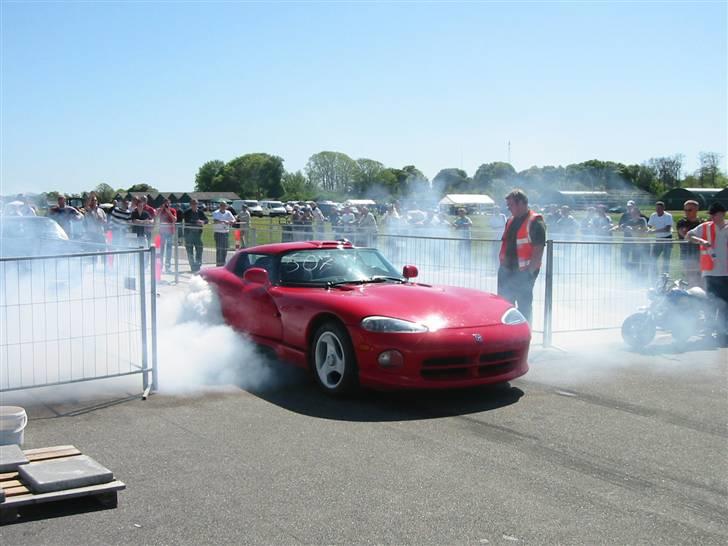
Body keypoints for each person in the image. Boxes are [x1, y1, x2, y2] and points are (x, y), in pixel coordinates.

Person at [497, 189, 546, 324]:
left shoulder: (535, 221)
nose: (508, 208)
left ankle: (524, 335)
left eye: (511, 205)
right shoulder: (510, 220)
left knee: (523, 308)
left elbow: (538, 250)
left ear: (521, 203)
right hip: (506, 271)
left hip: (523, 273)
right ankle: (507, 336)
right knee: (504, 306)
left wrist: (529, 273)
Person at [687, 202, 728, 344]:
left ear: (722, 214)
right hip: (711, 273)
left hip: (726, 273)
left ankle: (724, 334)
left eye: (714, 214)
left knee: (726, 305)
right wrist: (702, 241)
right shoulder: (705, 227)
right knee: (711, 304)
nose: (711, 217)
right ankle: (709, 332)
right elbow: (688, 235)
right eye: (710, 215)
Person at [676, 200, 703, 287]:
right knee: (690, 278)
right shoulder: (682, 222)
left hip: (701, 254)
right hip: (687, 254)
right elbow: (685, 235)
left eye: (689, 210)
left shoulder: (702, 222)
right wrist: (700, 240)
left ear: (696, 210)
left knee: (701, 278)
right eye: (685, 210)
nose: (686, 212)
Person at [647, 201, 673, 278]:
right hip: (658, 239)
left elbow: (667, 229)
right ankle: (655, 275)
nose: (658, 210)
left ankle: (665, 276)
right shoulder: (653, 215)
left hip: (667, 239)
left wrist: (654, 231)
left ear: (663, 208)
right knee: (653, 258)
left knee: (666, 259)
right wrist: (648, 229)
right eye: (657, 208)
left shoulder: (668, 216)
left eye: (660, 208)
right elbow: (649, 225)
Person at [183, 199, 208, 273]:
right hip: (189, 235)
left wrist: (203, 221)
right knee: (190, 251)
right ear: (190, 205)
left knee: (199, 250)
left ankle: (198, 266)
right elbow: (187, 220)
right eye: (193, 204)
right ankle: (192, 266)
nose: (194, 205)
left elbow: (206, 220)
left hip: (198, 235)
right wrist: (197, 221)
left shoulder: (200, 212)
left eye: (196, 204)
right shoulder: (187, 212)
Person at [157, 199, 177, 273]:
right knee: (161, 250)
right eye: (165, 204)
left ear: (170, 204)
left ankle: (167, 267)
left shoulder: (172, 210)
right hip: (162, 232)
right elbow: (156, 218)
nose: (167, 205)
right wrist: (161, 209)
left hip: (170, 232)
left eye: (168, 203)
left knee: (169, 250)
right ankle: (160, 266)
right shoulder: (160, 210)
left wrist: (169, 212)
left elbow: (175, 219)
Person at [212, 201, 235, 266]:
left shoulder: (228, 212)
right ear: (220, 206)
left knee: (225, 249)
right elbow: (215, 220)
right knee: (219, 249)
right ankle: (219, 264)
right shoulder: (216, 212)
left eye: (224, 205)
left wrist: (231, 221)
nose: (223, 207)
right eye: (222, 205)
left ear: (226, 206)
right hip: (218, 233)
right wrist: (224, 221)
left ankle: (223, 264)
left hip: (226, 233)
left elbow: (233, 220)